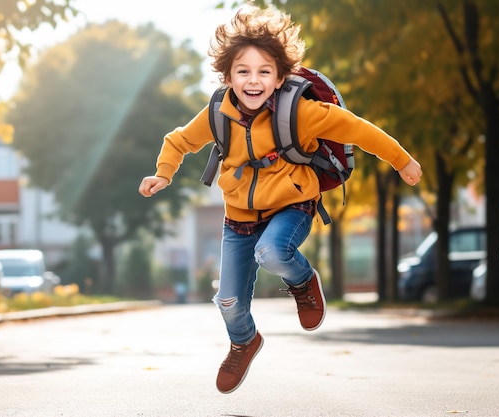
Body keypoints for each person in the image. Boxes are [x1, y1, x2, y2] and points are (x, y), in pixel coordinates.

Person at [139, 4, 423, 394]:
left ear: (280, 76)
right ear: (227, 76)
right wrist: (163, 172)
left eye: (263, 72)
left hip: (292, 206)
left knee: (272, 252)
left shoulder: (301, 112)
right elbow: (179, 140)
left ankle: (304, 282)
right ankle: (244, 341)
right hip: (238, 218)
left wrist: (402, 160)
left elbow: (358, 129)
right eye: (243, 71)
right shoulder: (218, 113)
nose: (253, 81)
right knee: (227, 302)